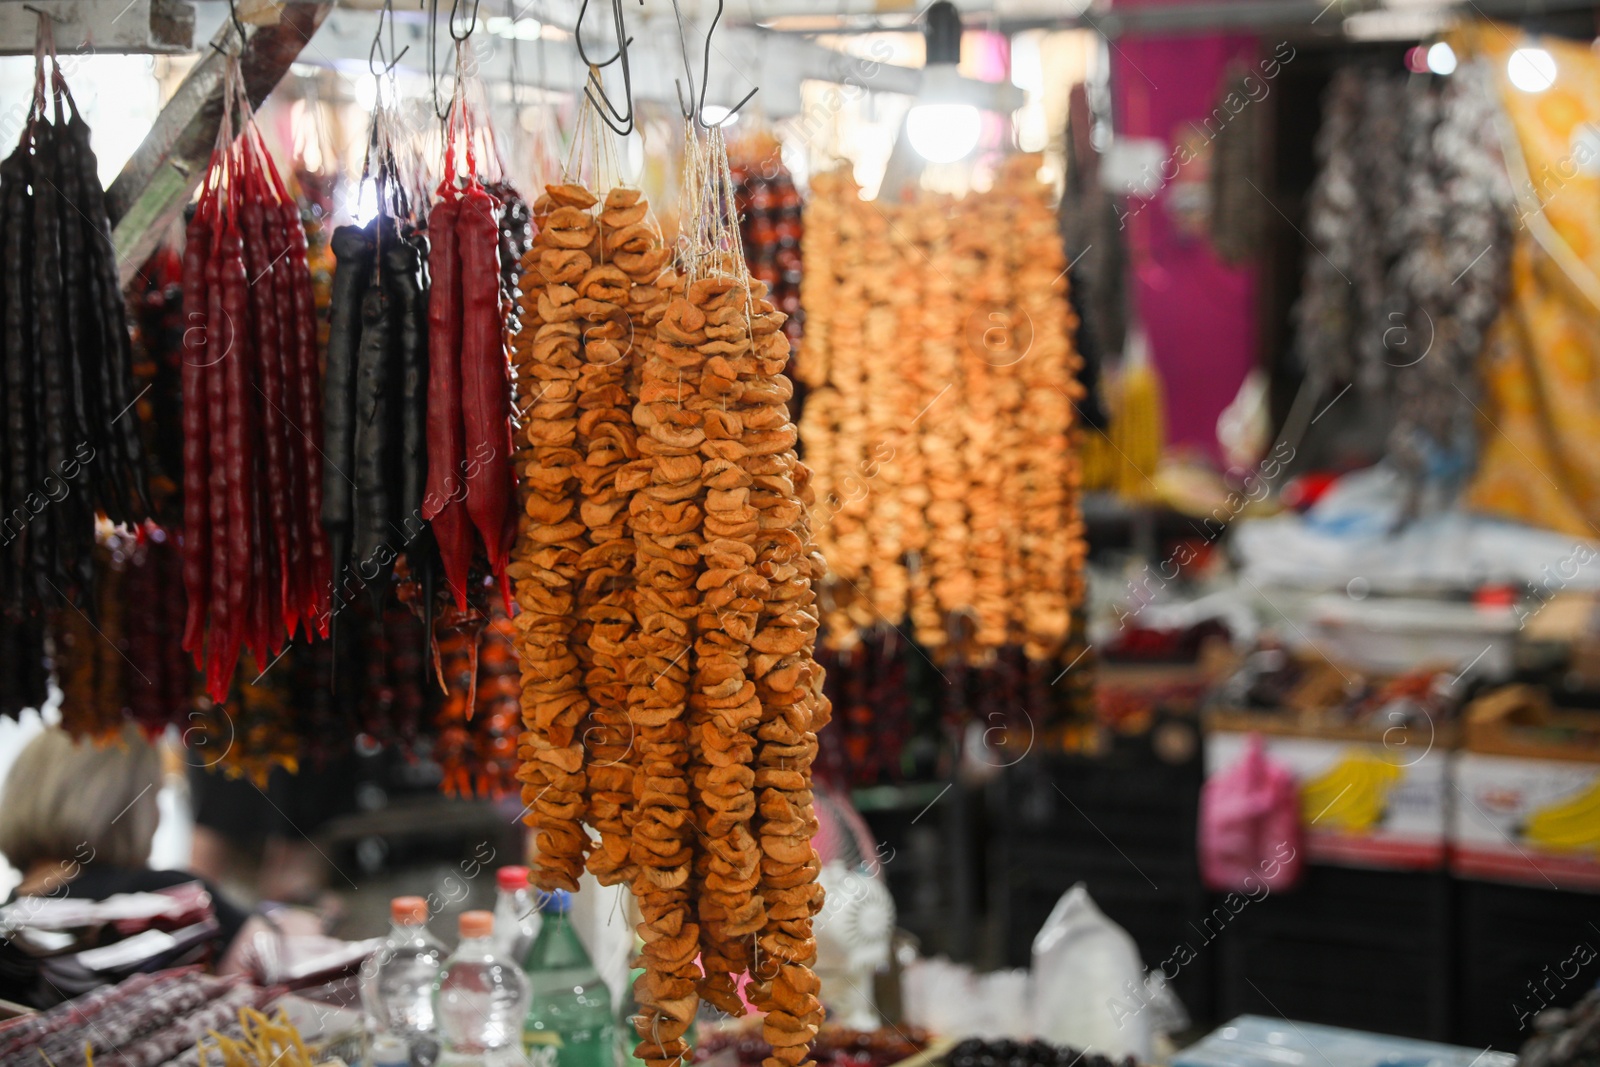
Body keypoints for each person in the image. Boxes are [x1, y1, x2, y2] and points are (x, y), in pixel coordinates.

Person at [0, 724, 249, 957]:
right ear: (126, 805)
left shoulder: (8, 920)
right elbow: (268, 950)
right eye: (155, 795)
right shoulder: (167, 896)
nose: (158, 814)